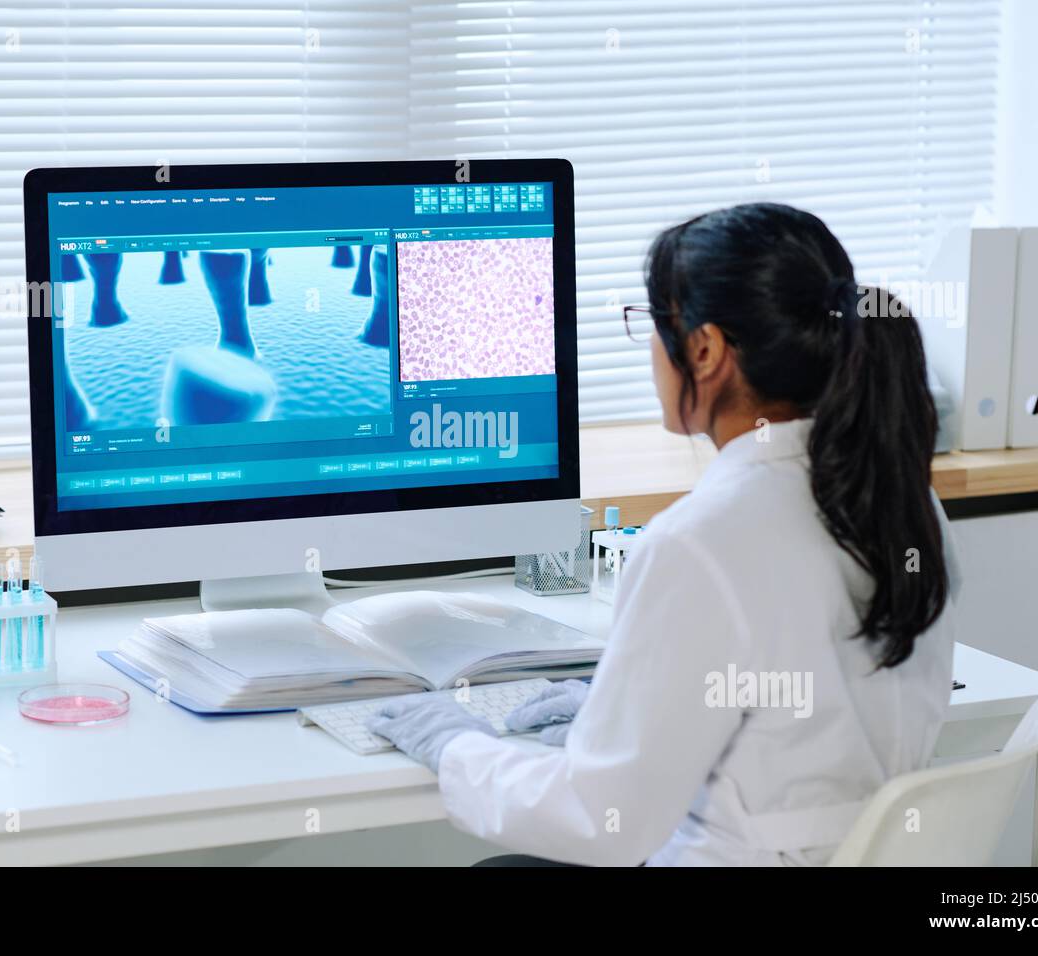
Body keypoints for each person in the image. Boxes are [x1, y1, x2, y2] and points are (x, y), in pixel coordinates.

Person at [368, 203, 961, 866]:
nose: (650, 347)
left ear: (704, 350)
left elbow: (602, 822)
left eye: (652, 323)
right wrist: (622, 712)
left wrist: (458, 747)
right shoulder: (906, 503)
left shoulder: (701, 542)